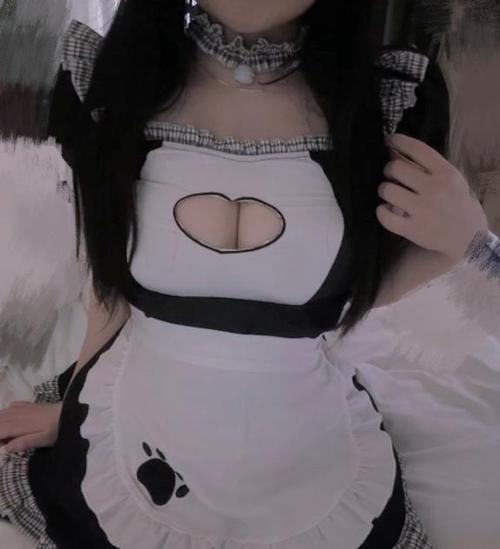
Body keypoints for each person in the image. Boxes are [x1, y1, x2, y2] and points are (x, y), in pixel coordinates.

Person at [0, 1, 496, 547]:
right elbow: (108, 281)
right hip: (142, 414)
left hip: (300, 434)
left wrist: (471, 244)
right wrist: (75, 410)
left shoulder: (390, 101)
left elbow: (361, 290)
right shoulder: (112, 85)